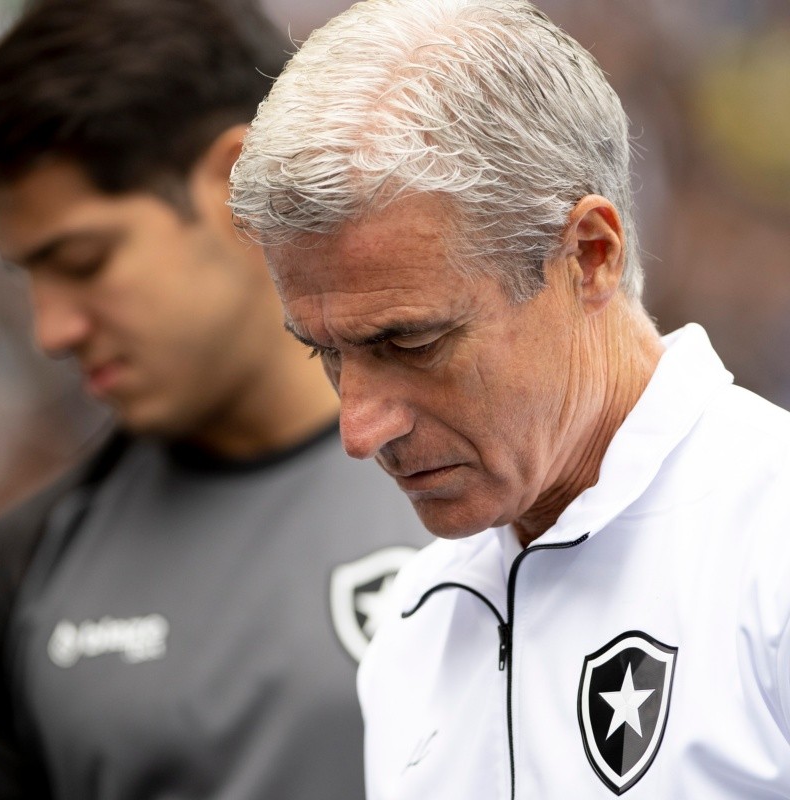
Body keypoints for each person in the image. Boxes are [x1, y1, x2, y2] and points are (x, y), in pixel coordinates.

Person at [229, 0, 790, 797]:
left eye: (411, 342)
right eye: (327, 353)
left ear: (589, 256)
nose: (357, 427)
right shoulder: (414, 623)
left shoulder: (771, 543)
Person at [0, 1, 429, 798]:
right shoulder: (25, 570)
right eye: (31, 278)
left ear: (234, 183)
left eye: (85, 261)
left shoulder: (523, 476)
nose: (52, 329)